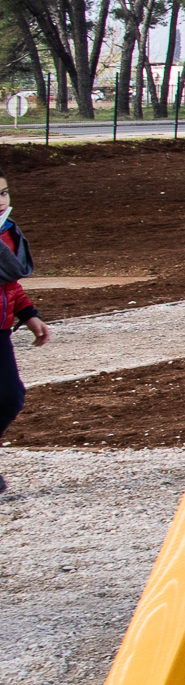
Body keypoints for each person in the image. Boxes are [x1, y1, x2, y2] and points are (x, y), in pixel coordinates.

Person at [0, 174, 47, 495]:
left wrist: (28, 314)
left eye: (2, 192)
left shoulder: (8, 232)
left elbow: (10, 282)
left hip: (0, 330)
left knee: (10, 397)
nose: (0, 200)